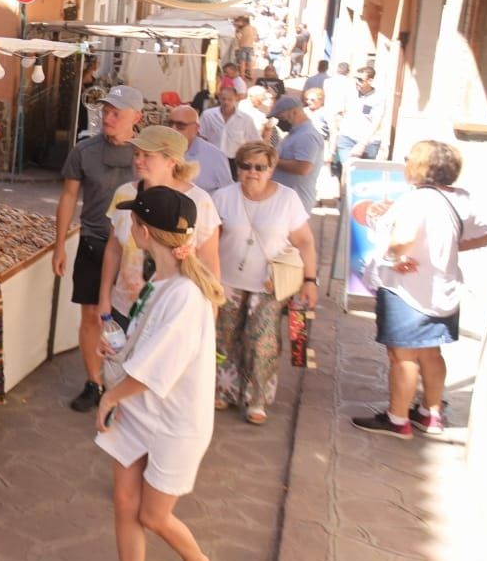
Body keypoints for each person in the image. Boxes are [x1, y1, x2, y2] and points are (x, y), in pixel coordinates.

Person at [72, 186, 223, 561]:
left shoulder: (185, 296)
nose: (129, 227)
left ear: (142, 229)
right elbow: (145, 342)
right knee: (124, 502)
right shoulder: (162, 281)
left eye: (133, 221)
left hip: (172, 421)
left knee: (152, 515)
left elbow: (163, 364)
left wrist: (111, 393)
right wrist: (115, 346)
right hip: (143, 409)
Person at [354, 140, 487, 439]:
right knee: (431, 352)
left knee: (402, 356)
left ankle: (397, 417)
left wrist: (394, 255)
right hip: (443, 288)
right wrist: (444, 249)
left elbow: (404, 238)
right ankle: (431, 413)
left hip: (408, 290)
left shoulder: (416, 200)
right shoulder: (460, 198)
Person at [55, 84, 146, 413]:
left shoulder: (146, 155)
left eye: (115, 113)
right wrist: (59, 245)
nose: (107, 117)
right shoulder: (84, 151)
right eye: (105, 111)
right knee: (92, 315)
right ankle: (94, 382)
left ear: (136, 117)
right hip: (94, 242)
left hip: (136, 250)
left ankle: (128, 383)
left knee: (134, 318)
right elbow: (68, 197)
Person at [213, 140, 317, 424]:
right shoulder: (222, 197)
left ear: (271, 169)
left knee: (262, 343)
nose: (252, 172)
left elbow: (305, 241)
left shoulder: (287, 199)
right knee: (223, 339)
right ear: (237, 168)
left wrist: (310, 280)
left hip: (271, 285)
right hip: (227, 282)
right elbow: (210, 239)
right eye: (246, 165)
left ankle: (256, 398)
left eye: (260, 167)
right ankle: (223, 389)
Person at [99, 127, 222, 332]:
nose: (138, 160)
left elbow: (209, 262)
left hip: (172, 312)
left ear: (172, 160)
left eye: (148, 155)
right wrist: (104, 298)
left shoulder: (199, 202)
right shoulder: (124, 194)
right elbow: (113, 249)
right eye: (137, 154)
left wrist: (212, 311)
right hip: (123, 307)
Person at [270, 95, 326, 206]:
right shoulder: (295, 134)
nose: (279, 121)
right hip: (286, 199)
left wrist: (272, 160)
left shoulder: (307, 135)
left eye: (281, 116)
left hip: (296, 201)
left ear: (294, 112)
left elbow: (303, 168)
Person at [168, 105, 232, 193]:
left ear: (196, 129)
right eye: (170, 124)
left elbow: (227, 193)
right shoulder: (157, 150)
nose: (173, 129)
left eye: (180, 125)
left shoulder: (215, 157)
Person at [198, 85, 262, 169]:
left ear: (236, 98)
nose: (226, 102)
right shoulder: (208, 115)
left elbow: (255, 141)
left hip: (235, 161)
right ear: (219, 98)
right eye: (223, 99)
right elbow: (201, 137)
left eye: (230, 99)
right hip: (211, 158)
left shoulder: (246, 119)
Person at [334, 67, 383, 171]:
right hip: (346, 138)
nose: (357, 82)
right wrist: (338, 131)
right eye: (356, 79)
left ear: (370, 81)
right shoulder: (349, 92)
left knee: (364, 174)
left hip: (369, 142)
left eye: (360, 80)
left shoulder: (379, 98)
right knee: (346, 170)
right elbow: (338, 112)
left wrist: (362, 144)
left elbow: (376, 123)